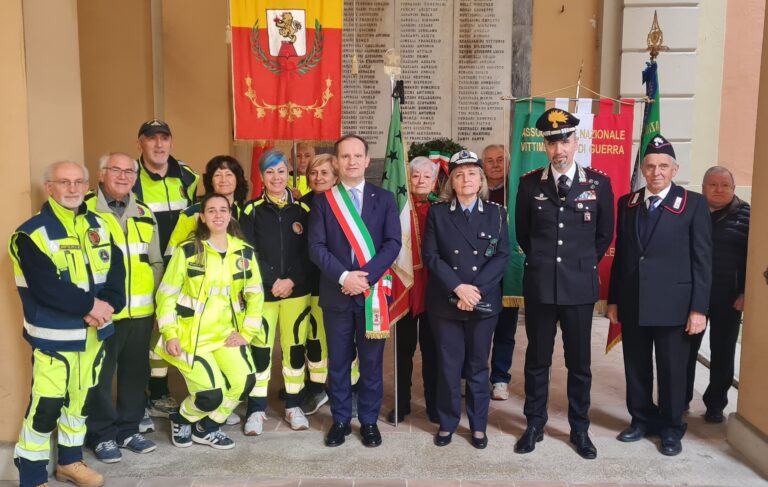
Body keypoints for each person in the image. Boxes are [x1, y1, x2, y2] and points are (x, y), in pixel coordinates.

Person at [10, 161, 126, 487]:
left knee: (80, 400)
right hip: (54, 339)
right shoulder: (31, 233)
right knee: (46, 407)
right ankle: (32, 476)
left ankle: (70, 462)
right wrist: (91, 306)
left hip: (93, 335)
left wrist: (108, 306)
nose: (73, 189)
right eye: (64, 182)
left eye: (79, 182)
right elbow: (46, 287)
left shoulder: (100, 226)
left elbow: (116, 274)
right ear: (49, 187)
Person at [514, 108, 614, 459]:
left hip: (578, 288)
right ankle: (534, 424)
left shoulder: (598, 184)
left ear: (577, 142)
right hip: (541, 286)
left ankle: (580, 429)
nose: (559, 149)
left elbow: (603, 237)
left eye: (565, 141)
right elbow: (523, 235)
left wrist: (578, 265)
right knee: (537, 360)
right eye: (552, 142)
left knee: (579, 364)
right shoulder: (529, 184)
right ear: (545, 145)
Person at [607, 135, 712, 456]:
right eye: (650, 166)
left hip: (675, 306)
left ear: (674, 169)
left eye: (663, 166)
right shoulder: (628, 203)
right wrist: (613, 299)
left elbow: (703, 261)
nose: (656, 172)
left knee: (672, 370)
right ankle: (640, 419)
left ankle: (671, 427)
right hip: (634, 302)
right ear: (642, 169)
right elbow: (622, 255)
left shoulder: (692, 204)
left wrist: (698, 309)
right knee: (636, 365)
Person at [308, 134, 401, 448]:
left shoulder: (385, 198)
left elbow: (393, 244)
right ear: (336, 161)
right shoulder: (323, 201)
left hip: (372, 296)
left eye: (357, 156)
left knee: (372, 363)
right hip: (337, 295)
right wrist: (345, 276)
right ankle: (340, 421)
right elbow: (316, 247)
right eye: (344, 157)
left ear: (366, 159)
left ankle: (370, 422)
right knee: (338, 363)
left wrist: (366, 278)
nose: (351, 161)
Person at [156, 193, 264, 450]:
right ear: (203, 217)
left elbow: (256, 295)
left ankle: (207, 427)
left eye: (223, 210)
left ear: (230, 215)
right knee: (210, 395)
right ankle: (182, 417)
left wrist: (247, 333)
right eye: (211, 211)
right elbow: (166, 295)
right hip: (190, 338)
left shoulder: (243, 251)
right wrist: (170, 333)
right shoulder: (188, 250)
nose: (218, 215)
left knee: (246, 380)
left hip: (225, 334)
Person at [423, 150, 510, 449]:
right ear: (452, 182)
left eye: (472, 173)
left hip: (482, 302)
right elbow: (431, 257)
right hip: (446, 302)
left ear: (481, 179)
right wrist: (458, 288)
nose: (466, 179)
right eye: (459, 174)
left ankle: (478, 425)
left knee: (477, 367)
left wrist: (475, 292)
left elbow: (502, 256)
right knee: (448, 367)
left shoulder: (497, 213)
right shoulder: (437, 213)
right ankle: (447, 423)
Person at [84, 153, 163, 463]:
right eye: (115, 169)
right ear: (102, 173)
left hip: (141, 313)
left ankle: (129, 429)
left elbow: (155, 261)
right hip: (102, 313)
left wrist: (156, 304)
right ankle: (101, 434)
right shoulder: (85, 211)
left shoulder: (143, 212)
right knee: (101, 376)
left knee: (135, 373)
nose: (123, 176)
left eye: (129, 171)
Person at [132, 118, 200, 425]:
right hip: (146, 264)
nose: (159, 145)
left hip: (183, 264)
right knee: (147, 330)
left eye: (164, 138)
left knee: (172, 326)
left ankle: (165, 391)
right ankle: (147, 395)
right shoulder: (130, 177)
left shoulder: (187, 175)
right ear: (140, 143)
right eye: (151, 139)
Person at [241, 150, 313, 435]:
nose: (276, 177)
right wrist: (273, 280)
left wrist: (291, 280)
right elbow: (248, 252)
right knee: (260, 350)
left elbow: (311, 250)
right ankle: (256, 409)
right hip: (263, 292)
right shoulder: (250, 211)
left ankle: (294, 405)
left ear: (289, 174)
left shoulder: (304, 211)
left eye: (281, 171)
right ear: (261, 176)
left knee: (295, 349)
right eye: (270, 172)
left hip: (297, 292)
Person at [686, 166, 749, 422]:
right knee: (685, 352)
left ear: (733, 189)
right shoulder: (692, 210)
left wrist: (746, 292)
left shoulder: (747, 216)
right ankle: (678, 400)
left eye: (725, 185)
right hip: (692, 297)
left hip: (728, 297)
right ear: (703, 188)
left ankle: (715, 405)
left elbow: (753, 259)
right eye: (713, 184)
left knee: (722, 352)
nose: (719, 190)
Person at [300, 154, 361, 416]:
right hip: (309, 282)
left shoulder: (347, 206)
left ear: (336, 177)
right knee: (314, 338)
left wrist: (348, 277)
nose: (319, 178)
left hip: (340, 282)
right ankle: (316, 387)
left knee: (345, 340)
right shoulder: (299, 205)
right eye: (314, 173)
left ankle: (352, 388)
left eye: (325, 173)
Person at [387, 156, 439, 424]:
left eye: (426, 176)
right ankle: (401, 402)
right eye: (415, 175)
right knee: (402, 351)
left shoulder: (441, 209)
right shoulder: (398, 210)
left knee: (433, 351)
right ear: (407, 179)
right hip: (404, 288)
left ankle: (434, 404)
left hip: (433, 291)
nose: (420, 180)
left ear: (434, 180)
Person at [481, 144, 520, 401]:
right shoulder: (475, 189)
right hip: (481, 271)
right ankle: (473, 374)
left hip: (508, 270)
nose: (495, 165)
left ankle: (500, 378)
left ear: (508, 163)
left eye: (500, 160)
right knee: (479, 328)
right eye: (489, 161)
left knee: (506, 327)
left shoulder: (516, 192)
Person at [166, 155, 251, 261]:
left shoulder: (245, 213)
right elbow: (173, 253)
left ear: (237, 179)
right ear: (210, 181)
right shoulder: (192, 213)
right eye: (217, 175)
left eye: (229, 174)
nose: (223, 180)